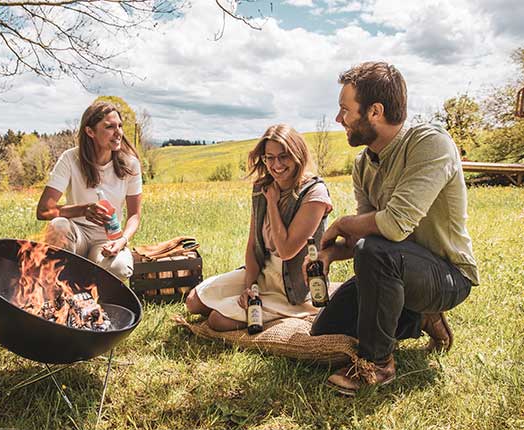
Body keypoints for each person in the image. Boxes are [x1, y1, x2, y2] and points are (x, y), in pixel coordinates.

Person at [306, 62, 479, 396]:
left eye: (345, 110)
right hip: (392, 266)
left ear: (375, 111)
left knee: (376, 253)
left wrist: (341, 223)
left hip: (447, 275)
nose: (339, 119)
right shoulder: (363, 164)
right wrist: (329, 254)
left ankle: (377, 364)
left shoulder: (430, 143)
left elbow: (393, 225)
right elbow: (368, 236)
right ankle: (419, 318)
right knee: (324, 332)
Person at [186, 124, 333, 331]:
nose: (276, 165)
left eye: (284, 156)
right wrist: (250, 287)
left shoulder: (314, 193)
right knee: (193, 302)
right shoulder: (261, 188)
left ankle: (284, 315)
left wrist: (272, 203)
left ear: (297, 155)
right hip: (264, 274)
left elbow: (286, 250)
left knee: (217, 321)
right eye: (269, 157)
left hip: (292, 289)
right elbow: (253, 245)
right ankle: (248, 304)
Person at [36, 101, 142, 282]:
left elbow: (134, 215)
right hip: (75, 234)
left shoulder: (130, 164)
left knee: (120, 267)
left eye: (120, 126)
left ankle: (82, 276)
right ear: (90, 132)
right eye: (109, 127)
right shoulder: (70, 158)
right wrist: (82, 210)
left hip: (107, 239)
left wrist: (122, 240)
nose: (118, 133)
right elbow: (44, 210)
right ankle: (61, 284)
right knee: (58, 225)